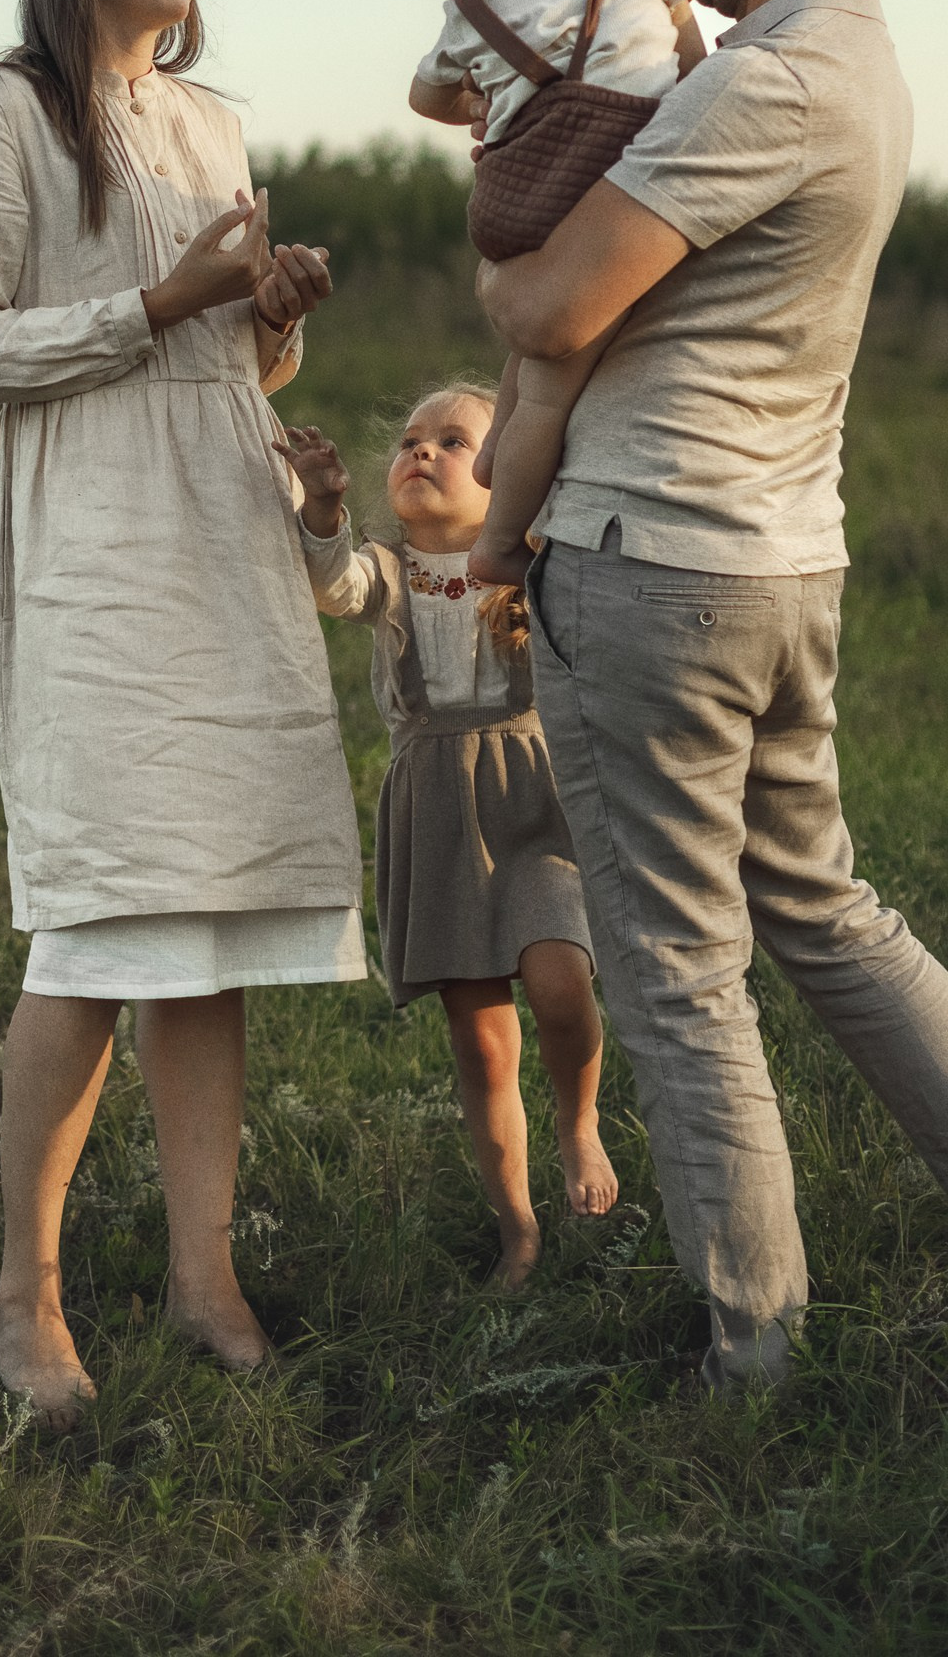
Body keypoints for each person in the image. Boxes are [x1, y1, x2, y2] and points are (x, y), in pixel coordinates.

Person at [479, 0, 948, 1394]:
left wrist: (513, 227)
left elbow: (553, 309)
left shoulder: (764, 83)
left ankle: (755, 1350)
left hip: (652, 565)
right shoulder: (855, 64)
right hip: (781, 561)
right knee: (828, 919)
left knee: (681, 969)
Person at [0, 0, 364, 1427]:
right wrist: (163, 302)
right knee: (99, 922)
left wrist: (268, 321)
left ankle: (202, 1275)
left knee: (211, 920)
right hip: (93, 542)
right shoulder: (6, 113)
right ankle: (21, 1297)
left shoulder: (211, 122)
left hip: (221, 522)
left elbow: (229, 364)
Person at [282, 388, 617, 1287]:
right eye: (409, 441)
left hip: (533, 803)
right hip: (438, 814)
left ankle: (579, 1121)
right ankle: (518, 1226)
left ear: (505, 475)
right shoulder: (387, 571)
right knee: (479, 1040)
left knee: (558, 977)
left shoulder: (531, 565)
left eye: (454, 441)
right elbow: (330, 583)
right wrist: (322, 507)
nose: (422, 453)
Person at [406, 0, 703, 584]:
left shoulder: (476, 8)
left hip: (533, 200)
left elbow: (424, 98)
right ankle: (506, 494)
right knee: (550, 377)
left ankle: (497, 533)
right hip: (622, 188)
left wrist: (482, 102)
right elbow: (691, 57)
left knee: (536, 368)